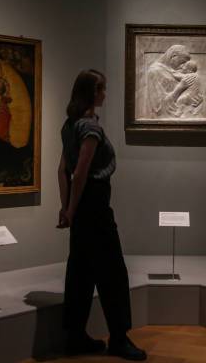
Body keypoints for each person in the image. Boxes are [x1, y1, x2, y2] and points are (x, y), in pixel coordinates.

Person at [57, 69, 147, 360]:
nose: (104, 93)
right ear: (91, 93)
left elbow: (62, 171)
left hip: (80, 207)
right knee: (112, 273)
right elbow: (81, 172)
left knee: (80, 272)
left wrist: (67, 208)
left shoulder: (69, 125)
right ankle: (119, 339)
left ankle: (74, 337)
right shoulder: (90, 128)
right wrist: (71, 208)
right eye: (101, 89)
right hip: (94, 204)